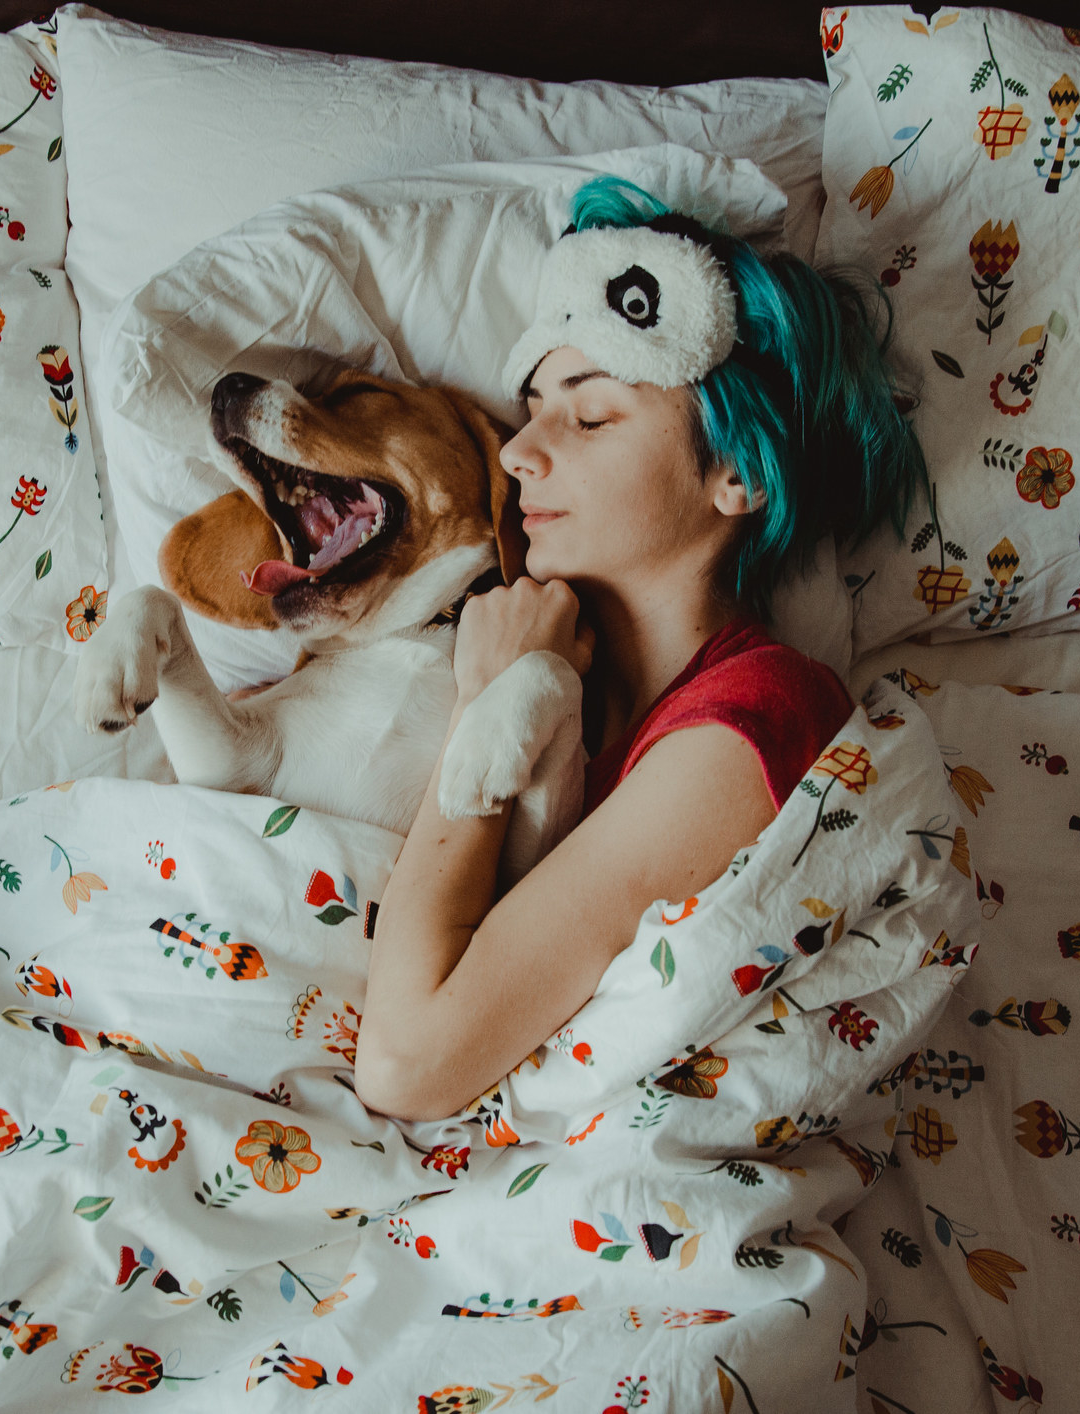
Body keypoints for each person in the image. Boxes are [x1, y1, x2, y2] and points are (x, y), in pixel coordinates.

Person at [354, 177, 926, 1122]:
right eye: (531, 406)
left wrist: (484, 702)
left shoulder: (756, 714)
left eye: (588, 416)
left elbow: (408, 1065)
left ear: (736, 473)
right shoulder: (592, 696)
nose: (517, 452)